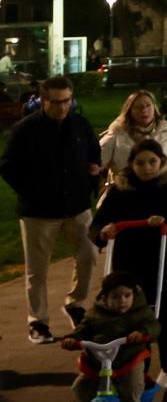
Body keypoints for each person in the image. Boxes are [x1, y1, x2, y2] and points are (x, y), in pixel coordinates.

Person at [1, 75, 104, 343]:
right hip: (38, 212)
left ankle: (76, 303)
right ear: (43, 100)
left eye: (67, 101)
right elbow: (8, 166)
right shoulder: (25, 130)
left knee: (89, 255)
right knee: (37, 270)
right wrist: (32, 191)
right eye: (56, 102)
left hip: (77, 206)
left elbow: (94, 153)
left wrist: (92, 173)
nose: (62, 107)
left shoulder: (79, 124)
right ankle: (38, 322)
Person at [90, 139, 167, 377]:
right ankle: (138, 368)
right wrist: (103, 232)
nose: (147, 168)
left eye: (152, 162)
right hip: (129, 262)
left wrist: (166, 221)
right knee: (132, 317)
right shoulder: (120, 191)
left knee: (165, 315)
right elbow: (97, 224)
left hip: (162, 261)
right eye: (140, 163)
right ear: (131, 165)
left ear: (161, 161)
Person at [56, 271, 158, 402]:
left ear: (134, 295)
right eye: (116, 296)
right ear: (105, 298)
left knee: (133, 381)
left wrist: (142, 333)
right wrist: (73, 339)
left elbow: (153, 326)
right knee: (80, 386)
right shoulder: (95, 314)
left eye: (127, 295)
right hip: (98, 360)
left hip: (128, 358)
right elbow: (83, 329)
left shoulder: (140, 312)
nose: (122, 300)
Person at [98, 89, 167, 177]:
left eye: (148, 106)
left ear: (154, 108)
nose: (144, 110)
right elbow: (97, 158)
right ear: (129, 110)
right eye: (138, 107)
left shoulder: (166, 131)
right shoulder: (118, 131)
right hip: (125, 185)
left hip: (160, 186)